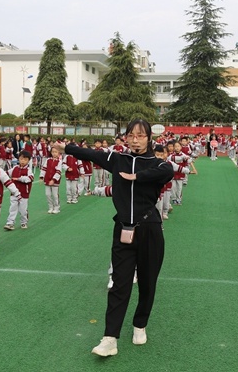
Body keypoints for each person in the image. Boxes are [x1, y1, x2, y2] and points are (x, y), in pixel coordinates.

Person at [53, 119, 173, 357]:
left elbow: (167, 172)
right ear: (126, 137)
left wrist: (135, 177)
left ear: (149, 138)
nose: (135, 139)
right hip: (122, 230)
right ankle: (110, 338)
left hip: (149, 229)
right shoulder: (117, 159)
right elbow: (92, 154)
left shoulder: (157, 164)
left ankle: (140, 324)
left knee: (148, 283)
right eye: (131, 135)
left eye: (140, 135)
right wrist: (67, 148)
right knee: (120, 284)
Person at [4, 151, 34, 230]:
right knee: (12, 208)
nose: (23, 161)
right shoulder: (15, 168)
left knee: (23, 210)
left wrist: (19, 178)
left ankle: (24, 222)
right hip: (14, 193)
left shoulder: (28, 170)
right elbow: (6, 174)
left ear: (28, 160)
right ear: (19, 159)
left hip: (24, 193)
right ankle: (10, 223)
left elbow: (30, 178)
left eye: (25, 159)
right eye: (21, 159)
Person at [40, 146, 62, 214]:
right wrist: (41, 177)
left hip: (55, 182)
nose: (54, 153)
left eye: (56, 152)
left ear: (59, 153)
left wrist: (53, 180)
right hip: (47, 180)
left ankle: (57, 207)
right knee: (48, 194)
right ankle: (50, 207)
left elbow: (58, 172)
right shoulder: (48, 160)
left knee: (55, 195)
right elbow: (44, 169)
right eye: (53, 152)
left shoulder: (59, 161)